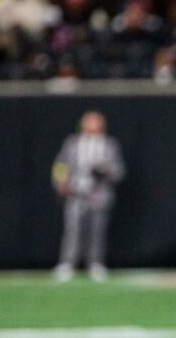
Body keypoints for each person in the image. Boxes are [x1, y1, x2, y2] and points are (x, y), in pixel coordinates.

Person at [52, 110, 125, 281]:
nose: (93, 126)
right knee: (73, 229)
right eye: (90, 122)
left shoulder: (109, 144)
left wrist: (105, 171)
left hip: (99, 193)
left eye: (97, 122)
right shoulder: (72, 143)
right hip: (76, 191)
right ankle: (67, 263)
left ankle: (96, 263)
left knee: (97, 230)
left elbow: (119, 171)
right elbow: (60, 165)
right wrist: (60, 183)